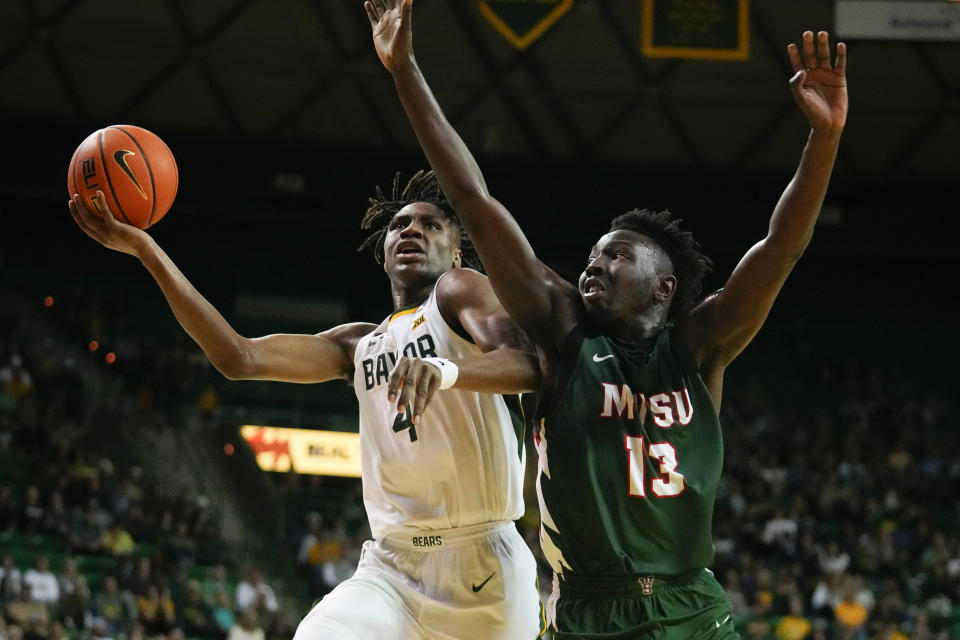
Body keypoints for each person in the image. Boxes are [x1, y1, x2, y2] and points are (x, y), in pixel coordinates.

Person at [367, 1, 847, 636]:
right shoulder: (563, 333)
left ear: (663, 288)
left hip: (692, 608)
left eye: (616, 256)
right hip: (589, 608)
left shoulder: (700, 346)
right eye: (591, 255)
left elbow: (782, 246)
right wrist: (404, 69)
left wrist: (825, 137)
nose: (593, 265)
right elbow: (473, 200)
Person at [68, 169, 545, 638]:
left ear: (457, 252)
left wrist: (446, 369)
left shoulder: (458, 291)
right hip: (392, 568)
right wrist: (146, 251)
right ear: (382, 254)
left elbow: (526, 365)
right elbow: (240, 357)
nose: (411, 229)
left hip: (483, 566)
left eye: (430, 224)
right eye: (399, 225)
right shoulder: (358, 345)